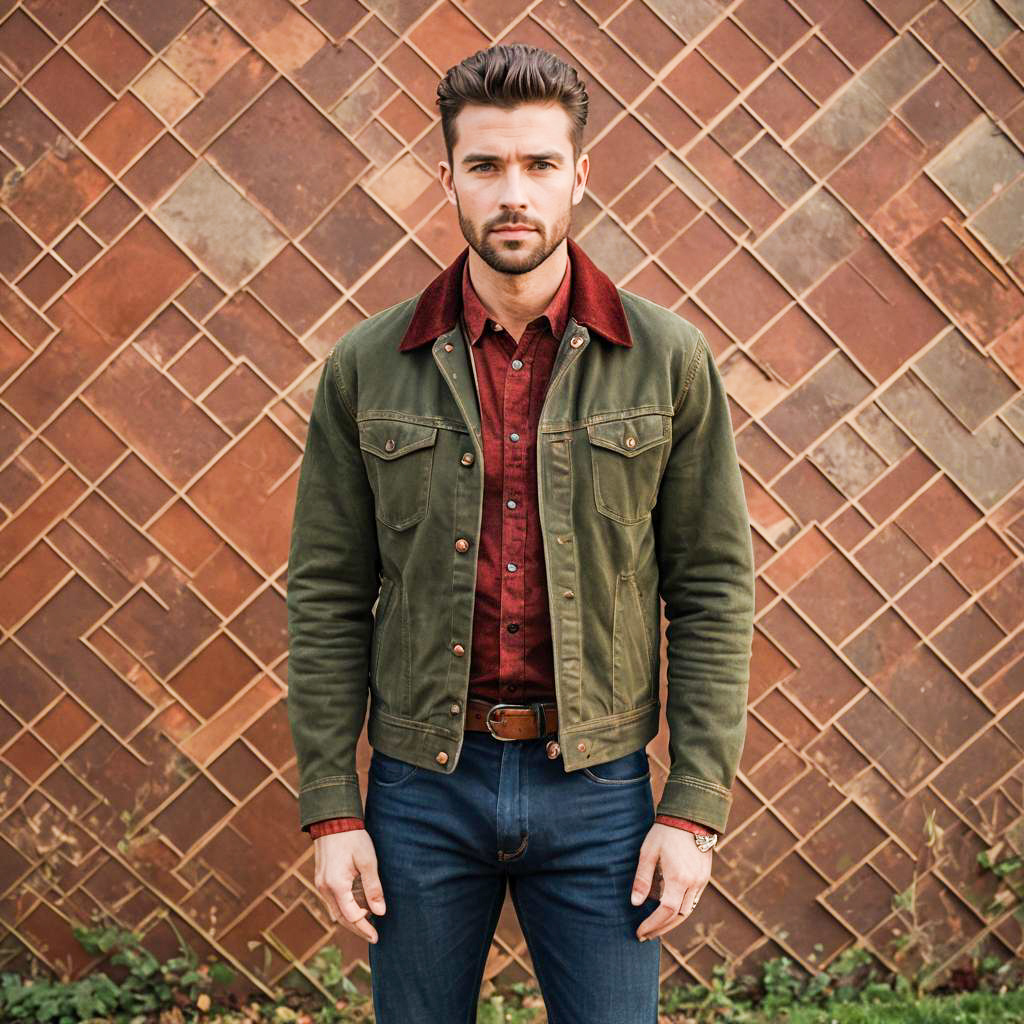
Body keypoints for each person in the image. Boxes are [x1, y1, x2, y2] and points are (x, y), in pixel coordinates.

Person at [285, 41, 755, 1024]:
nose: (514, 193)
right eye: (486, 165)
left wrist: (693, 809)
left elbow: (710, 587)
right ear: (446, 175)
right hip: (422, 791)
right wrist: (334, 809)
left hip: (599, 794)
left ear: (580, 174)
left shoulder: (665, 359)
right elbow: (327, 594)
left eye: (539, 164)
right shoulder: (368, 365)